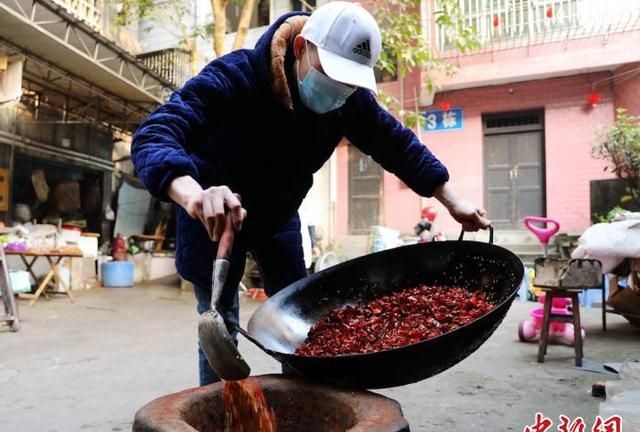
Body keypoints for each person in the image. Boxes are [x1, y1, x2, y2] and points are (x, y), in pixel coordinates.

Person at [131, 1, 491, 386]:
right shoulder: (235, 76)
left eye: (349, 84)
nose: (338, 92)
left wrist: (453, 201)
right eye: (331, 76)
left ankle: (301, 404)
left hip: (277, 216)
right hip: (214, 218)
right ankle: (221, 410)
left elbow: (397, 144)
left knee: (299, 322)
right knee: (219, 324)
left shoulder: (349, 100)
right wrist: (193, 195)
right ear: (301, 47)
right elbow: (155, 135)